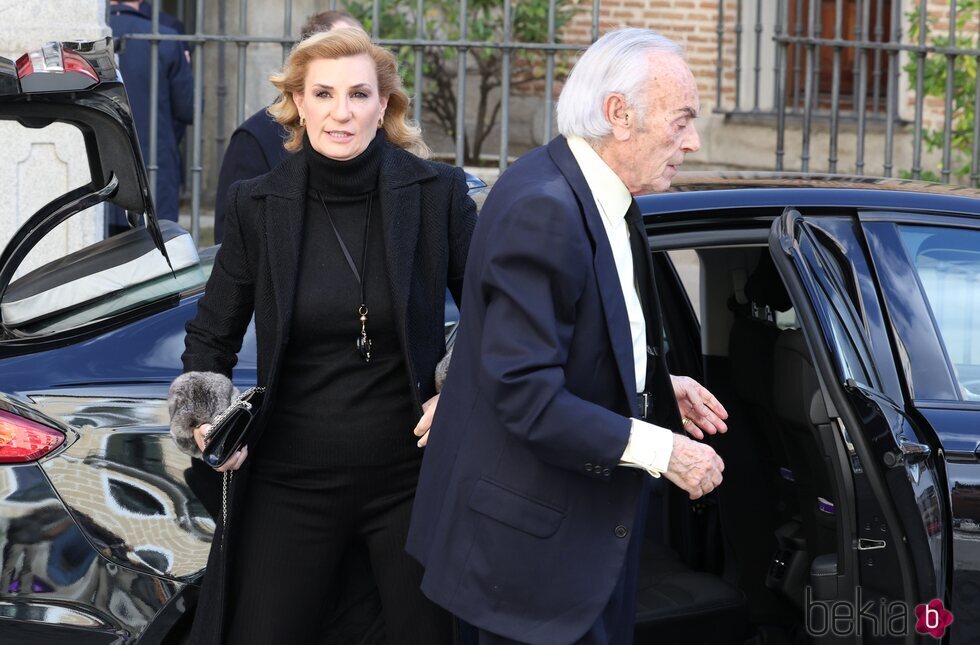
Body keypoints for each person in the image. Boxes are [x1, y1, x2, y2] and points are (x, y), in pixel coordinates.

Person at [406, 28, 729, 645]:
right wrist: (666, 451)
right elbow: (525, 394)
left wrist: (653, 384)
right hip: (525, 571)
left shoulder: (600, 193)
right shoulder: (546, 207)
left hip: (562, 555)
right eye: (682, 119)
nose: (693, 141)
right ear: (619, 115)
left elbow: (586, 332)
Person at [167, 28, 475, 644]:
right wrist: (205, 417)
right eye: (324, 94)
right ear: (298, 104)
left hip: (409, 481)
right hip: (291, 478)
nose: (342, 112)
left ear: (383, 105)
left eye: (359, 94)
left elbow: (498, 316)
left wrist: (462, 391)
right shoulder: (258, 204)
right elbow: (212, 335)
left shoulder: (437, 194)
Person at [213, 10, 364, 244]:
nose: (342, 112)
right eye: (342, 50)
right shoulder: (254, 139)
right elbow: (234, 247)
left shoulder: (376, 139)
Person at [108, 0, 193, 232]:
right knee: (152, 256)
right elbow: (188, 108)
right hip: (154, 166)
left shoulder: (89, 37)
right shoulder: (166, 37)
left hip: (101, 168)